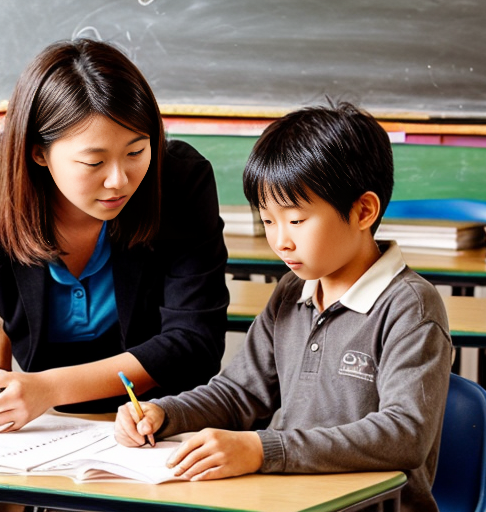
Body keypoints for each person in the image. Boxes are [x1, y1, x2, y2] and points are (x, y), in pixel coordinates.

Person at [115, 102, 453, 512]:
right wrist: (164, 413)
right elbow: (239, 393)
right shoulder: (291, 293)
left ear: (364, 211)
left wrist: (263, 449)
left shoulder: (409, 306)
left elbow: (404, 434)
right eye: (268, 221)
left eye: (295, 221)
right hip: (289, 501)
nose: (281, 241)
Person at [0, 38, 229, 431]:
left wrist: (49, 388)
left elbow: (194, 343)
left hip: (161, 420)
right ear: (38, 153)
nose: (119, 180)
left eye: (137, 152)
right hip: (45, 426)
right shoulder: (3, 188)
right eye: (94, 161)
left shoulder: (179, 181)